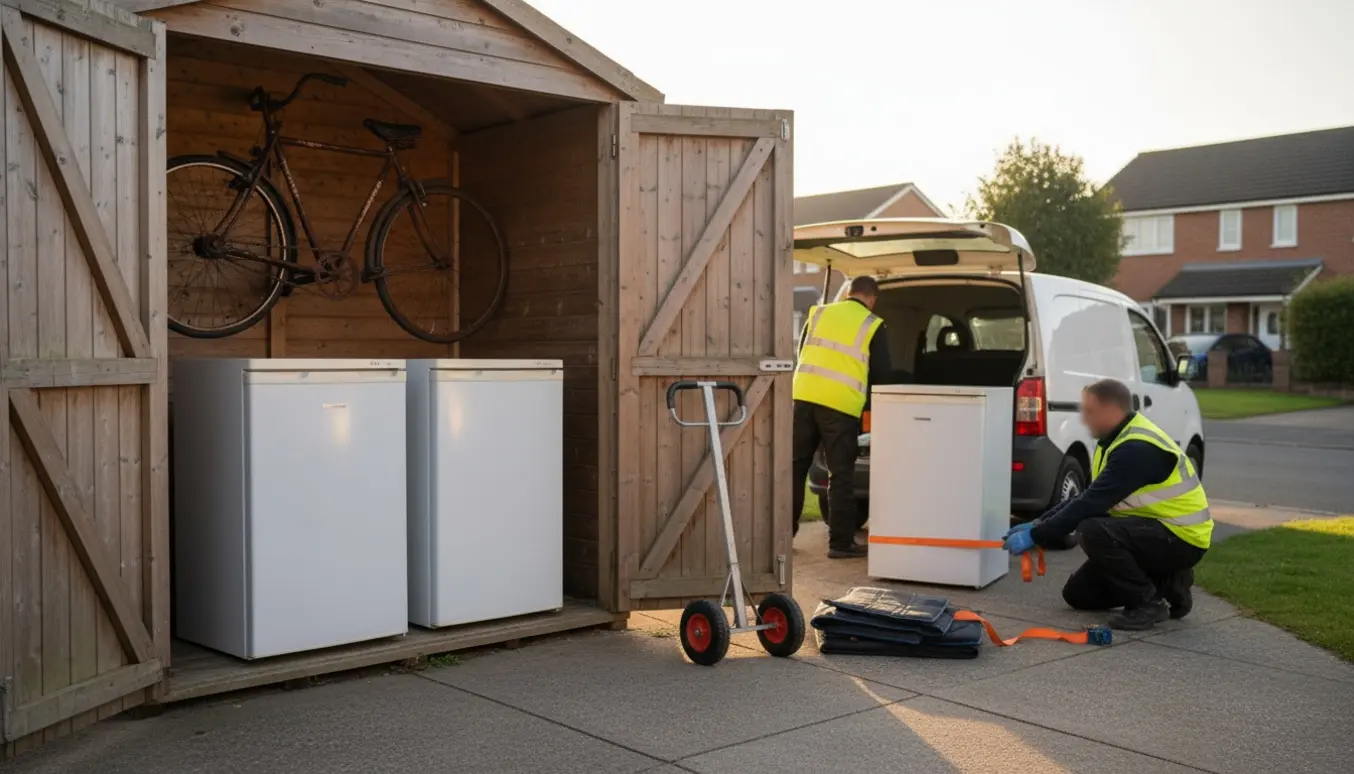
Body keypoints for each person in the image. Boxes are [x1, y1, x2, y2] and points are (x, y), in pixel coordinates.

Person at [1001, 378, 1212, 631]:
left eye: (1090, 411)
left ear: (1112, 411)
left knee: (1092, 530)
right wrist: (1038, 523)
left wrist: (1036, 535)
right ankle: (1169, 581)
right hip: (1156, 532)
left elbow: (1091, 503)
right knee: (1078, 595)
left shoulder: (1136, 449)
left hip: (1182, 538)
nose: (1084, 419)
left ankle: (1148, 603)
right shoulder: (1115, 440)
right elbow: (1087, 496)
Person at [791, 275, 892, 558]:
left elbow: (802, 353)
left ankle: (782, 536)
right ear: (872, 298)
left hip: (803, 397)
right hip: (840, 406)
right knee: (841, 474)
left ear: (849, 292)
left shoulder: (818, 312)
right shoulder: (873, 324)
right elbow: (883, 375)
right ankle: (840, 543)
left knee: (795, 468)